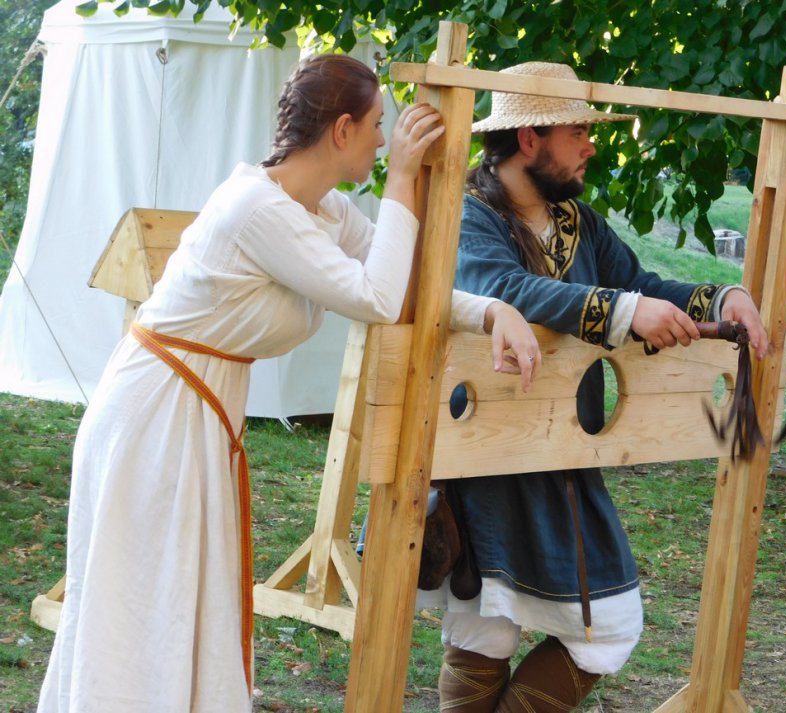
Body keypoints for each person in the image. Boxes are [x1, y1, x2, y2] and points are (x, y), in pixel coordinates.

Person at [37, 54, 540, 713]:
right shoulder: (257, 209)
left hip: (199, 411)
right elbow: (378, 299)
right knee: (142, 602)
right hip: (155, 413)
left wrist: (494, 310)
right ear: (342, 129)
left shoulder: (324, 209)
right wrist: (401, 181)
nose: (383, 140)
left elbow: (407, 283)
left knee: (183, 596)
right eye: (376, 125)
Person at [432, 61, 768, 712]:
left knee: (605, 629)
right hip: (485, 458)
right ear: (528, 139)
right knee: (486, 630)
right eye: (577, 133)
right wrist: (622, 310)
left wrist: (723, 297)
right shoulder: (467, 214)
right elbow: (503, 289)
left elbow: (641, 285)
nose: (590, 146)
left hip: (563, 458)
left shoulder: (579, 222)